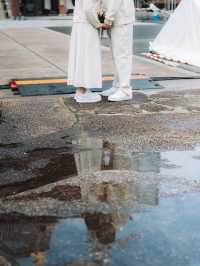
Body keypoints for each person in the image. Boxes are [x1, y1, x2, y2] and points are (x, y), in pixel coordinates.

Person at [68, 0, 104, 103]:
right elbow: (88, 9)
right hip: (87, 25)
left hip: (81, 24)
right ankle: (82, 92)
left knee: (81, 56)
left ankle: (81, 90)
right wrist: (98, 24)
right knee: (87, 57)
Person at [101, 0, 135, 102]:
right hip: (116, 17)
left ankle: (125, 90)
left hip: (121, 17)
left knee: (122, 56)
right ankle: (117, 86)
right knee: (116, 56)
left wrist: (108, 18)